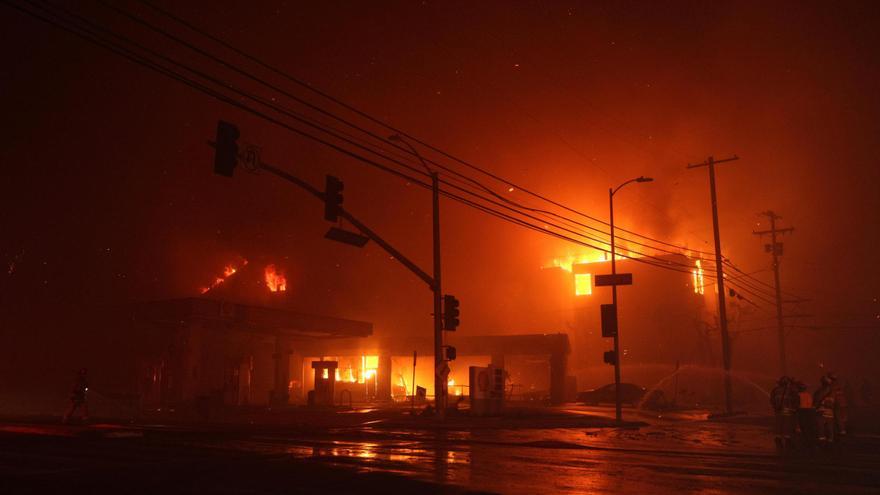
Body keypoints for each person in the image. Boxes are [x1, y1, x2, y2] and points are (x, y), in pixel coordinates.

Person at [770, 376, 797, 450]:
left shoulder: (775, 390)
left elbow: (772, 400)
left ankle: (778, 441)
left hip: (778, 412)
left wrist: (776, 407)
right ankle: (787, 442)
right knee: (787, 427)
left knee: (778, 426)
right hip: (788, 412)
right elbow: (795, 400)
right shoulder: (790, 391)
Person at [813, 374, 835, 447]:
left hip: (821, 411)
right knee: (830, 427)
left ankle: (822, 441)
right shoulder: (833, 392)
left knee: (821, 427)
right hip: (830, 412)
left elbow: (815, 401)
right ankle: (830, 441)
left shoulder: (819, 391)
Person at [795, 381, 816, 449]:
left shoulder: (798, 395)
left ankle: (803, 442)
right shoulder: (808, 395)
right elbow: (811, 403)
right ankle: (809, 441)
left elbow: (797, 404)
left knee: (802, 427)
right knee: (808, 427)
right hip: (809, 411)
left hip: (801, 411)